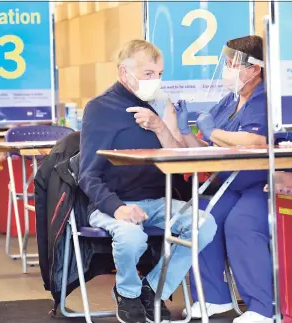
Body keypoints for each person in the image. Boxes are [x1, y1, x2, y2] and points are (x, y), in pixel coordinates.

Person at [128, 35, 273, 323]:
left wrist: (212, 132)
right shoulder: (230, 100)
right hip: (230, 184)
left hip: (263, 184)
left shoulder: (263, 98)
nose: (227, 69)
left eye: (233, 64)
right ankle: (213, 298)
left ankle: (263, 308)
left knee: (241, 223)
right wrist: (185, 132)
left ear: (254, 68)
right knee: (201, 217)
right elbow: (205, 148)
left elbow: (256, 139)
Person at [78, 39, 217, 323]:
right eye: (148, 75)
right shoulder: (100, 108)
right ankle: (128, 293)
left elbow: (180, 163)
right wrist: (117, 208)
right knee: (131, 236)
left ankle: (153, 288)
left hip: (157, 200)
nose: (156, 81)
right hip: (113, 202)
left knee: (205, 225)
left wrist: (160, 126)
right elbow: (87, 174)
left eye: (160, 74)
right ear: (124, 74)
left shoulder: (159, 105)